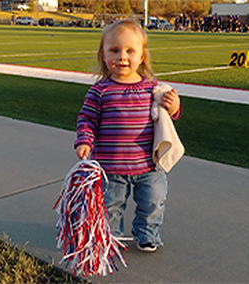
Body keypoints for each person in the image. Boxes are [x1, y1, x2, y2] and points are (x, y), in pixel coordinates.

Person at [74, 19, 181, 253]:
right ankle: (109, 237)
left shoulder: (152, 88)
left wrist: (173, 107)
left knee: (152, 203)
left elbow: (168, 117)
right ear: (103, 55)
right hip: (110, 166)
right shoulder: (100, 90)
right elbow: (87, 119)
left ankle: (147, 233)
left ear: (142, 56)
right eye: (114, 50)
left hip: (148, 167)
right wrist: (84, 140)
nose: (122, 56)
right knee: (110, 206)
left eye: (130, 51)